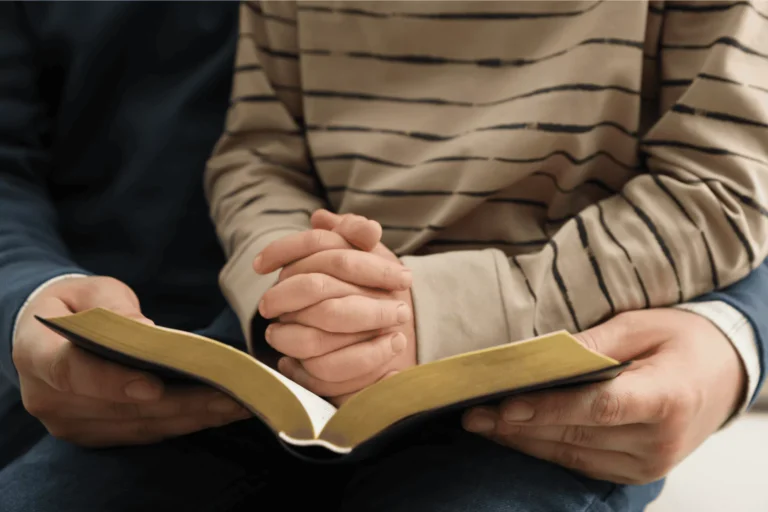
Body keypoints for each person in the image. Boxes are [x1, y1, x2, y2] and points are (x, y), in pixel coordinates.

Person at [0, 2, 765, 511]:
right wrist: (295, 283)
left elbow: (725, 181)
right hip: (258, 362)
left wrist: (437, 313)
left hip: (531, 395)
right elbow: (259, 149)